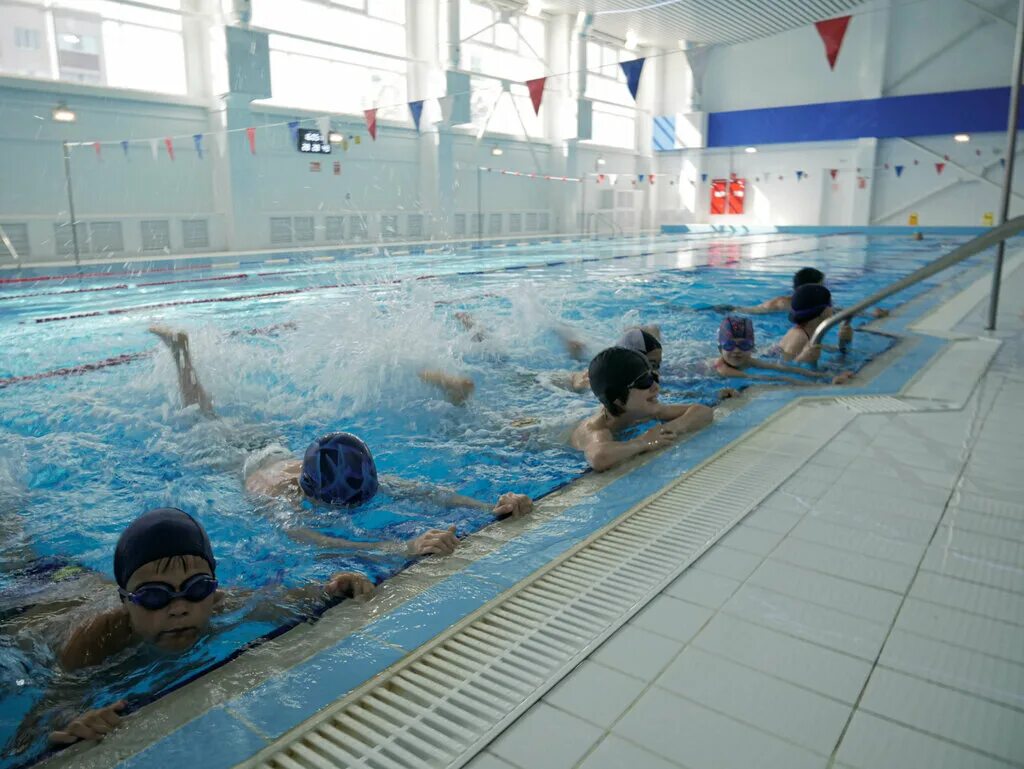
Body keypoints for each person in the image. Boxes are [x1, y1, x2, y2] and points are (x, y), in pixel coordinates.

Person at [150, 327, 532, 556]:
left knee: (211, 413)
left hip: (272, 446)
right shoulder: (280, 500)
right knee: (202, 414)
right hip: (237, 458)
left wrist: (490, 506)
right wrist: (402, 547)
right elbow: (313, 539)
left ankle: (182, 352)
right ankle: (180, 353)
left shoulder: (342, 476)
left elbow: (426, 492)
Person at [21, 508, 374, 748]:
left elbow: (282, 601)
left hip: (79, 579)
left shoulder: (220, 604)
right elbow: (43, 714)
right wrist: (71, 718)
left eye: (196, 589)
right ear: (125, 601)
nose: (179, 608)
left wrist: (331, 588)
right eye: (154, 596)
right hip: (34, 597)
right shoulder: (94, 641)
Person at [571, 347, 714, 472]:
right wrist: (644, 441)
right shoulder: (598, 429)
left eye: (653, 377)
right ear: (619, 400)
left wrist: (670, 429)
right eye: (644, 382)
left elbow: (703, 411)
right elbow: (599, 457)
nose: (656, 387)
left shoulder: (646, 411)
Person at [712, 316, 852, 385]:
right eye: (729, 345)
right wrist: (825, 386)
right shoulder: (722, 368)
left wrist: (828, 376)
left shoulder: (749, 361)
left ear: (752, 348)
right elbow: (774, 378)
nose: (736, 351)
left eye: (744, 345)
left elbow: (782, 368)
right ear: (720, 349)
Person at [715, 267, 887, 322]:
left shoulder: (800, 303)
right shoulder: (782, 303)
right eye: (822, 284)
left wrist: (870, 314)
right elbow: (748, 310)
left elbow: (838, 311)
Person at [777, 286, 856, 366]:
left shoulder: (809, 332)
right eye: (830, 304)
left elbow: (830, 350)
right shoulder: (800, 337)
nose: (833, 308)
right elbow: (786, 368)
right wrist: (801, 359)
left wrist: (844, 340)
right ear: (823, 311)